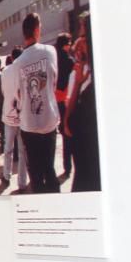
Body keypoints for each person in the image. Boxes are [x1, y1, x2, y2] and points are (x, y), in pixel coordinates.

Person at [13, 12, 60, 193]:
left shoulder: (17, 63)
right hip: (48, 121)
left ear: (24, 34)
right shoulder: (50, 51)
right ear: (37, 30)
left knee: (36, 176)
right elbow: (53, 83)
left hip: (28, 125)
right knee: (49, 168)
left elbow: (18, 94)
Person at [63, 15, 101, 192]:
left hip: (88, 180)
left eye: (83, 38)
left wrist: (78, 84)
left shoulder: (90, 88)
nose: (79, 44)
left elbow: (68, 125)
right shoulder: (82, 76)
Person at [0, 47, 28, 191]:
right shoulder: (25, 70)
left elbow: (4, 92)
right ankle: (22, 183)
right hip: (22, 118)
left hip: (8, 116)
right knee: (23, 152)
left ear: (11, 56)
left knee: (8, 149)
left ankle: (6, 175)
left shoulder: (4, 71)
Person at [54, 32, 75, 178]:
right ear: (65, 45)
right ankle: (68, 167)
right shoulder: (69, 61)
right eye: (69, 43)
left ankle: (66, 166)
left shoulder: (53, 59)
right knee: (68, 134)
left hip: (54, 100)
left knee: (61, 131)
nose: (70, 46)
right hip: (66, 101)